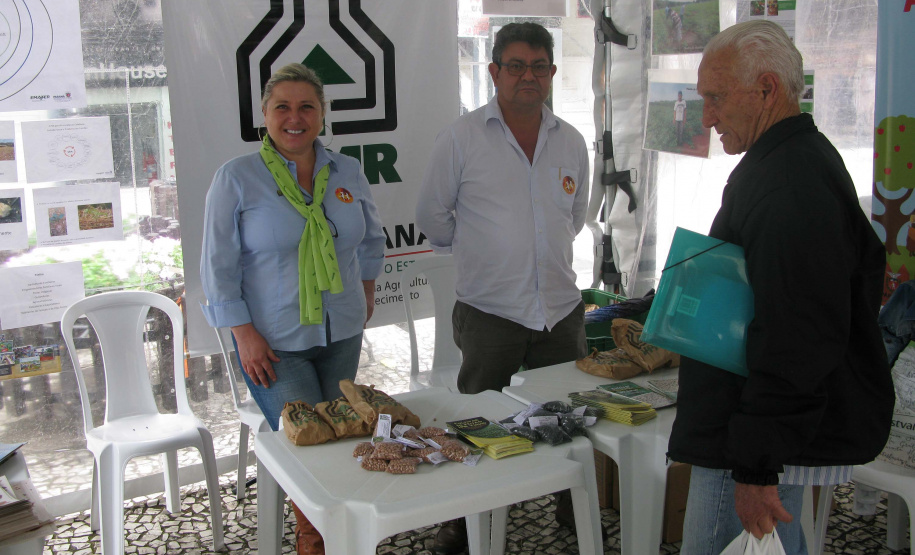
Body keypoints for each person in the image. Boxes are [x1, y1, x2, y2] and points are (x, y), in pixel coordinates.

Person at [667, 20, 894, 555]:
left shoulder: (790, 183)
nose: (707, 117)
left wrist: (755, 466)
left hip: (746, 443)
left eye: (717, 97)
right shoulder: (787, 162)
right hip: (751, 433)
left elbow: (796, 336)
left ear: (767, 89)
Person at [416, 22, 589, 554]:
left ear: (552, 73)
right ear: (494, 72)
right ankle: (465, 522)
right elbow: (431, 217)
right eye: (515, 66)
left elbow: (576, 217)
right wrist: (482, 249)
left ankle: (572, 510)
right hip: (490, 311)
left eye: (538, 66)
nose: (527, 77)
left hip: (560, 311)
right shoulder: (461, 138)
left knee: (568, 419)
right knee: (480, 424)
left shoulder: (572, 141)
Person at [200, 63, 385, 555]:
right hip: (273, 343)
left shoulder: (347, 170)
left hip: (342, 330)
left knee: (345, 435)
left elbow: (370, 238)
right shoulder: (236, 178)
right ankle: (316, 540)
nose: (294, 117)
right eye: (282, 106)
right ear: (265, 114)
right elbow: (217, 267)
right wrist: (243, 334)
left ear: (322, 114)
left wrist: (365, 289)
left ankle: (347, 529)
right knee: (308, 441)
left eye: (307, 106)